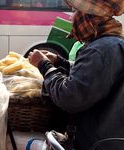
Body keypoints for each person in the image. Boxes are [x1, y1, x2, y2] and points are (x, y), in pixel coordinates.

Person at [28, 0, 124, 150]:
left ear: (88, 17)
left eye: (75, 12)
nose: (71, 18)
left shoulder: (99, 50)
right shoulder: (114, 43)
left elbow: (69, 97)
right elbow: (97, 76)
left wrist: (44, 65)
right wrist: (61, 62)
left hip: (94, 142)